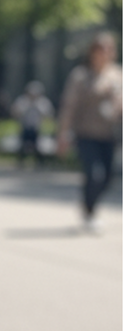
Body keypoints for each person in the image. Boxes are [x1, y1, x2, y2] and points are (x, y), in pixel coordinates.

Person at [57, 32, 123, 232]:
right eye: (101, 49)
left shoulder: (117, 75)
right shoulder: (81, 75)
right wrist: (63, 134)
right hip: (86, 134)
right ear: (92, 52)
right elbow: (69, 106)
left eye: (109, 49)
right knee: (95, 175)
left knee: (108, 178)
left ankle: (89, 203)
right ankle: (90, 211)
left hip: (109, 135)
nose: (105, 53)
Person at [11, 81, 54, 166]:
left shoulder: (42, 102)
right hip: (25, 126)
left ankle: (40, 162)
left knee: (38, 146)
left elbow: (49, 113)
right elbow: (15, 111)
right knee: (22, 145)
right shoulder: (23, 101)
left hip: (36, 128)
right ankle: (21, 162)